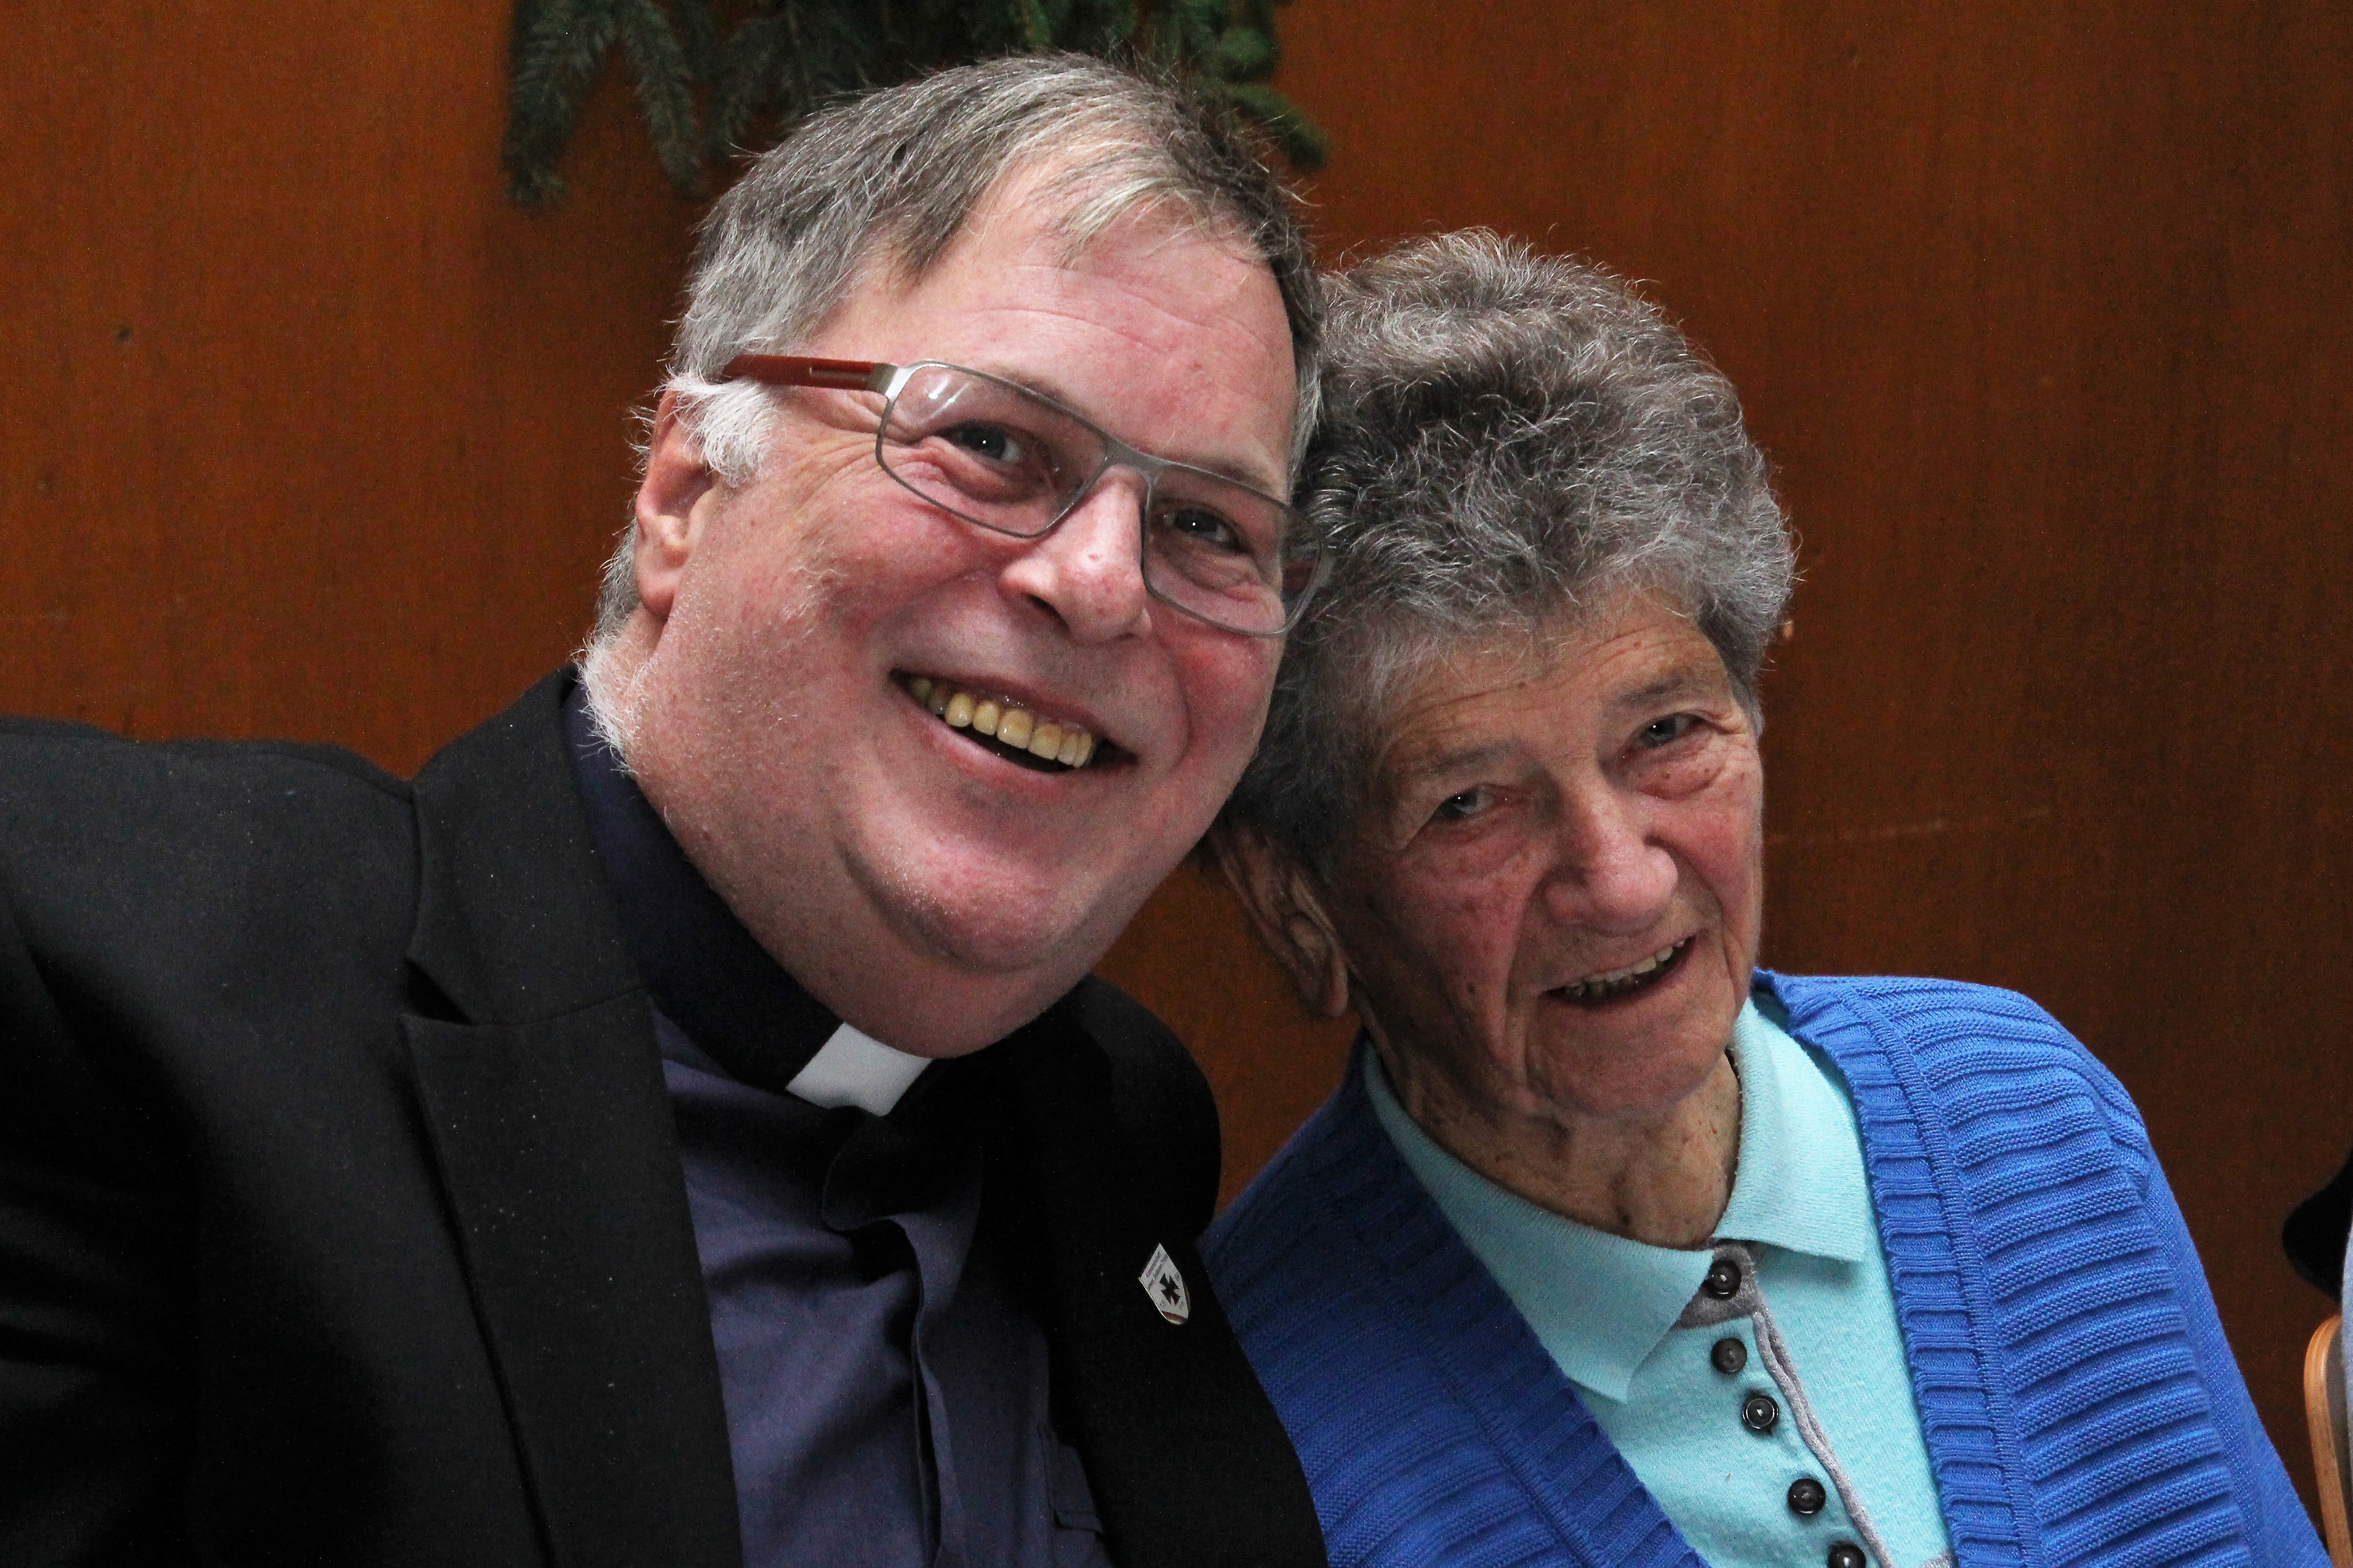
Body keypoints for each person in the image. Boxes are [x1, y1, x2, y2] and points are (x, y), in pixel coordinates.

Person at [0, 56, 1330, 1567]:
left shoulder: (1121, 1120)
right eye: (992, 444)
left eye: (1207, 526)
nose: (1099, 585)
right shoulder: (119, 983)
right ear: (688, 493)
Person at [1202, 231, 2322, 1568]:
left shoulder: (2031, 1117)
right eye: (1472, 802)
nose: (1621, 880)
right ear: (1294, 901)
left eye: (1666, 732)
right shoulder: (1256, 1433)